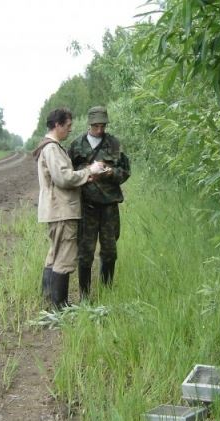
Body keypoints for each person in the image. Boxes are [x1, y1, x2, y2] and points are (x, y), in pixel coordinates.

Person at [33, 107, 108, 309]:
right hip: (61, 210)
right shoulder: (52, 149)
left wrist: (85, 174)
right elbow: (63, 177)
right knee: (64, 258)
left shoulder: (48, 147)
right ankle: (60, 306)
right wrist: (88, 171)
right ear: (57, 125)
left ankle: (49, 299)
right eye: (67, 126)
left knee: (54, 255)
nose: (70, 130)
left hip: (55, 210)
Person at [68, 106, 130, 298]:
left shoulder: (114, 144)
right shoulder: (76, 145)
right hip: (87, 206)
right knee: (85, 254)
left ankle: (107, 292)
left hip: (109, 206)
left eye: (103, 125)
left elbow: (125, 172)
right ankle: (85, 296)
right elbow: (68, 174)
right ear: (89, 124)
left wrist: (111, 172)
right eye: (96, 126)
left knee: (110, 251)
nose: (100, 129)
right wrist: (87, 170)